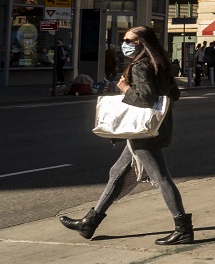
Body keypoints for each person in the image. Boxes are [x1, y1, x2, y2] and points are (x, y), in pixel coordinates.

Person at [59, 25, 193, 245]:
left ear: (141, 43)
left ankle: (183, 228)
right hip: (156, 126)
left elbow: (145, 98)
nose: (125, 44)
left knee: (161, 178)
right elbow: (174, 94)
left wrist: (124, 88)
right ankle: (90, 222)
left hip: (143, 131)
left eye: (129, 40)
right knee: (117, 172)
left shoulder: (141, 65)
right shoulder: (159, 62)